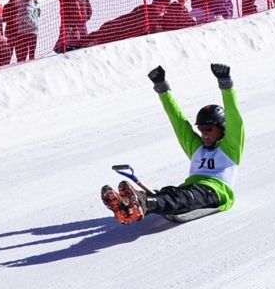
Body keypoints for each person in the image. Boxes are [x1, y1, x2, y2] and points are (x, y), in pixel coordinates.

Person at [102, 62, 244, 224]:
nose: (203, 134)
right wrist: (162, 88)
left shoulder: (230, 148)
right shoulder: (197, 148)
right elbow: (178, 121)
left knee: (182, 197)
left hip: (215, 193)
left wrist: (226, 85)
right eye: (201, 129)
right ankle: (128, 206)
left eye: (208, 129)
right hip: (190, 188)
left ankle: (143, 203)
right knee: (171, 193)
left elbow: (235, 119)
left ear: (222, 128)